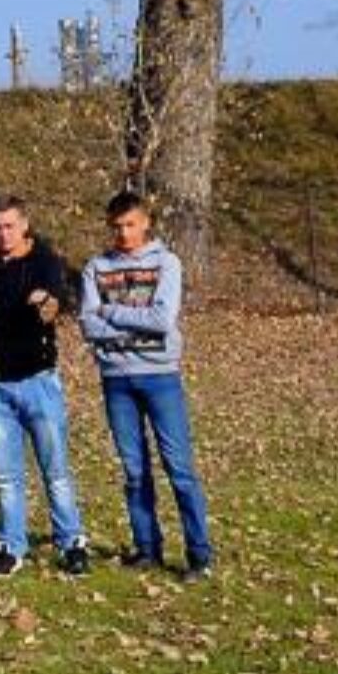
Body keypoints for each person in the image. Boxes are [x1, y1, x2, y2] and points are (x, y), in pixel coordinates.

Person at [80, 191, 212, 580]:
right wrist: (128, 322)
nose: (124, 233)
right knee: (135, 471)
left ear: (146, 222)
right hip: (116, 380)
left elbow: (162, 320)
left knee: (179, 468)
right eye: (117, 226)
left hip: (160, 376)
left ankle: (199, 554)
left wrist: (110, 311)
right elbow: (88, 325)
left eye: (131, 224)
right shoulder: (96, 267)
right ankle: (147, 548)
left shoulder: (166, 263)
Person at [0, 195, 90, 576]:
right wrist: (14, 309)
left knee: (56, 470)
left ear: (25, 225)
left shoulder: (45, 263)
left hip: (38, 382)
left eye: (9, 226)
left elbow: (47, 310)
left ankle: (72, 541)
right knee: (6, 476)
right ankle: (11, 547)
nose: (3, 234)